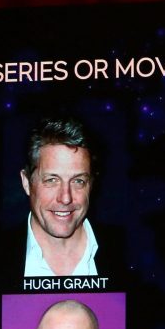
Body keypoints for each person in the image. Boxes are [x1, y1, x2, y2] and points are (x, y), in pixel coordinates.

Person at [20, 118, 103, 276]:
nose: (65, 198)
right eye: (52, 180)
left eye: (78, 181)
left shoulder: (127, 256)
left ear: (91, 184)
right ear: (26, 182)